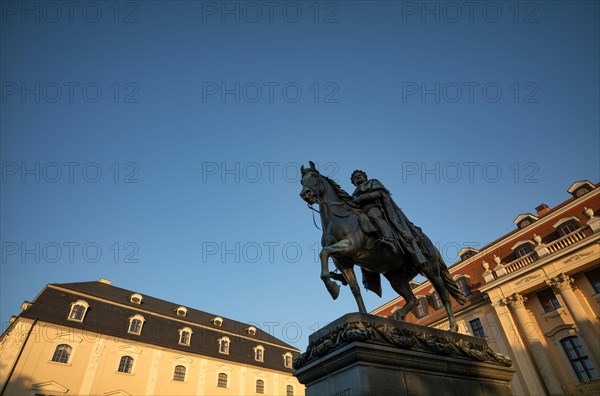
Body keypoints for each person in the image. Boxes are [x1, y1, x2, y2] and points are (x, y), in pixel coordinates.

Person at [351, 170, 428, 266]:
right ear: (353, 182)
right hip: (362, 214)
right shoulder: (354, 194)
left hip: (375, 208)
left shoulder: (372, 182)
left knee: (374, 216)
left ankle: (389, 239)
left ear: (365, 177)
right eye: (355, 177)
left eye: (359, 175)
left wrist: (361, 198)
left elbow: (379, 193)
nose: (358, 177)